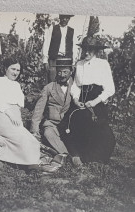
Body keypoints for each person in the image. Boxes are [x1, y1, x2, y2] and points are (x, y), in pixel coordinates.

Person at [0, 57, 60, 173]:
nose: (15, 73)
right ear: (5, 69)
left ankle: (30, 164)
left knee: (31, 141)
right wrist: (10, 114)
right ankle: (32, 165)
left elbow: (18, 107)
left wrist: (17, 118)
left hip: (13, 120)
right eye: (13, 69)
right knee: (23, 140)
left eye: (18, 70)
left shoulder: (16, 86)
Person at [69, 35, 116, 163]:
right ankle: (78, 155)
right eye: (85, 49)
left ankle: (94, 159)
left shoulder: (103, 64)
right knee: (77, 125)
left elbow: (110, 89)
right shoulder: (79, 64)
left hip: (96, 101)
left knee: (104, 134)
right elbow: (76, 86)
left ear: (96, 51)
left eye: (90, 49)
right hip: (81, 101)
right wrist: (75, 99)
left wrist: (95, 101)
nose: (86, 52)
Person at [30, 57, 82, 166]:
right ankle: (68, 157)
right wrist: (34, 130)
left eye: (65, 72)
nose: (62, 75)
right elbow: (38, 110)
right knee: (48, 133)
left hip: (69, 125)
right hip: (52, 124)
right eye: (60, 72)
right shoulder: (49, 88)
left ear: (71, 71)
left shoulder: (76, 87)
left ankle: (79, 155)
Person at [42, 14, 74, 83]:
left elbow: (73, 46)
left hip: (66, 58)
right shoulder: (53, 28)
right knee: (52, 79)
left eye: (67, 18)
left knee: (64, 80)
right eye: (63, 17)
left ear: (69, 19)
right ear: (60, 17)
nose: (64, 19)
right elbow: (46, 43)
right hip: (54, 58)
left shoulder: (71, 30)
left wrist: (73, 62)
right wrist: (45, 60)